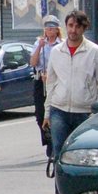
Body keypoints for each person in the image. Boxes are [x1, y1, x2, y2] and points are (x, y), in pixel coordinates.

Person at [43, 10, 98, 194]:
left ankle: (88, 193)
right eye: (70, 26)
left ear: (84, 28)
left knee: (86, 155)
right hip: (59, 110)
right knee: (59, 154)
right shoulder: (57, 52)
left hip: (84, 113)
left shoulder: (94, 51)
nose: (73, 30)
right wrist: (47, 112)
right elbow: (52, 83)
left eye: (77, 26)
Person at [30, 15, 62, 151]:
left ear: (56, 30)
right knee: (40, 114)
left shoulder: (61, 45)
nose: (48, 31)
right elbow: (33, 62)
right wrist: (39, 47)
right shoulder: (39, 43)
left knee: (53, 113)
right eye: (47, 28)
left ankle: (54, 144)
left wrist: (50, 76)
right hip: (40, 81)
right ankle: (48, 140)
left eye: (51, 28)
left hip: (55, 82)